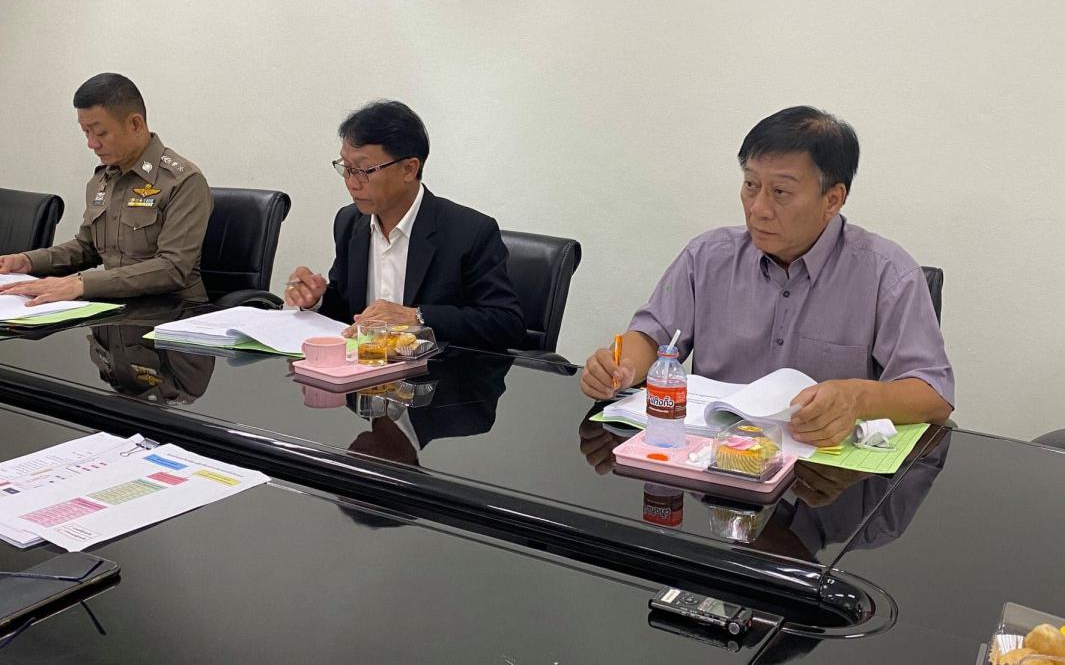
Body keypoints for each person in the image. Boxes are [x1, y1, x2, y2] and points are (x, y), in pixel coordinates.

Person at [581, 106, 954, 447]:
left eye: (780, 192)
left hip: (822, 479)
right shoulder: (707, 257)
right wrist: (622, 367)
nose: (758, 208)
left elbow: (933, 395)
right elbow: (652, 336)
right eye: (751, 185)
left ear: (833, 200)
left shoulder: (887, 274)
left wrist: (857, 398)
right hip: (713, 461)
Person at [285, 100, 524, 350]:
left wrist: (417, 318)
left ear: (409, 169)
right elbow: (348, 310)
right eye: (346, 167)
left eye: (364, 170)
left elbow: (506, 323)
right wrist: (315, 298)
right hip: (364, 367)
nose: (352, 183)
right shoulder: (349, 222)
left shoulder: (469, 232)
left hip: (438, 371)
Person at [0, 73, 212, 304]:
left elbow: (172, 268)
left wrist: (81, 284)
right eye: (86, 132)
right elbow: (87, 247)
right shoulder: (102, 179)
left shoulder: (182, 181)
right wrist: (27, 261)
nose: (92, 143)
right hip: (113, 307)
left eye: (101, 133)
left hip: (172, 311)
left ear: (135, 124)